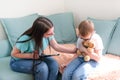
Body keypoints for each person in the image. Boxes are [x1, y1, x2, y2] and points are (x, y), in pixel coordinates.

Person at [10, 16, 76, 80]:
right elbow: (13, 54)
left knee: (54, 64)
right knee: (42, 67)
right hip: (18, 61)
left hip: (36, 57)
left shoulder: (48, 35)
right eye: (49, 33)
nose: (53, 34)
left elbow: (56, 46)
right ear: (40, 33)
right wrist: (31, 56)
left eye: (53, 31)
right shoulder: (25, 39)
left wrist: (74, 50)